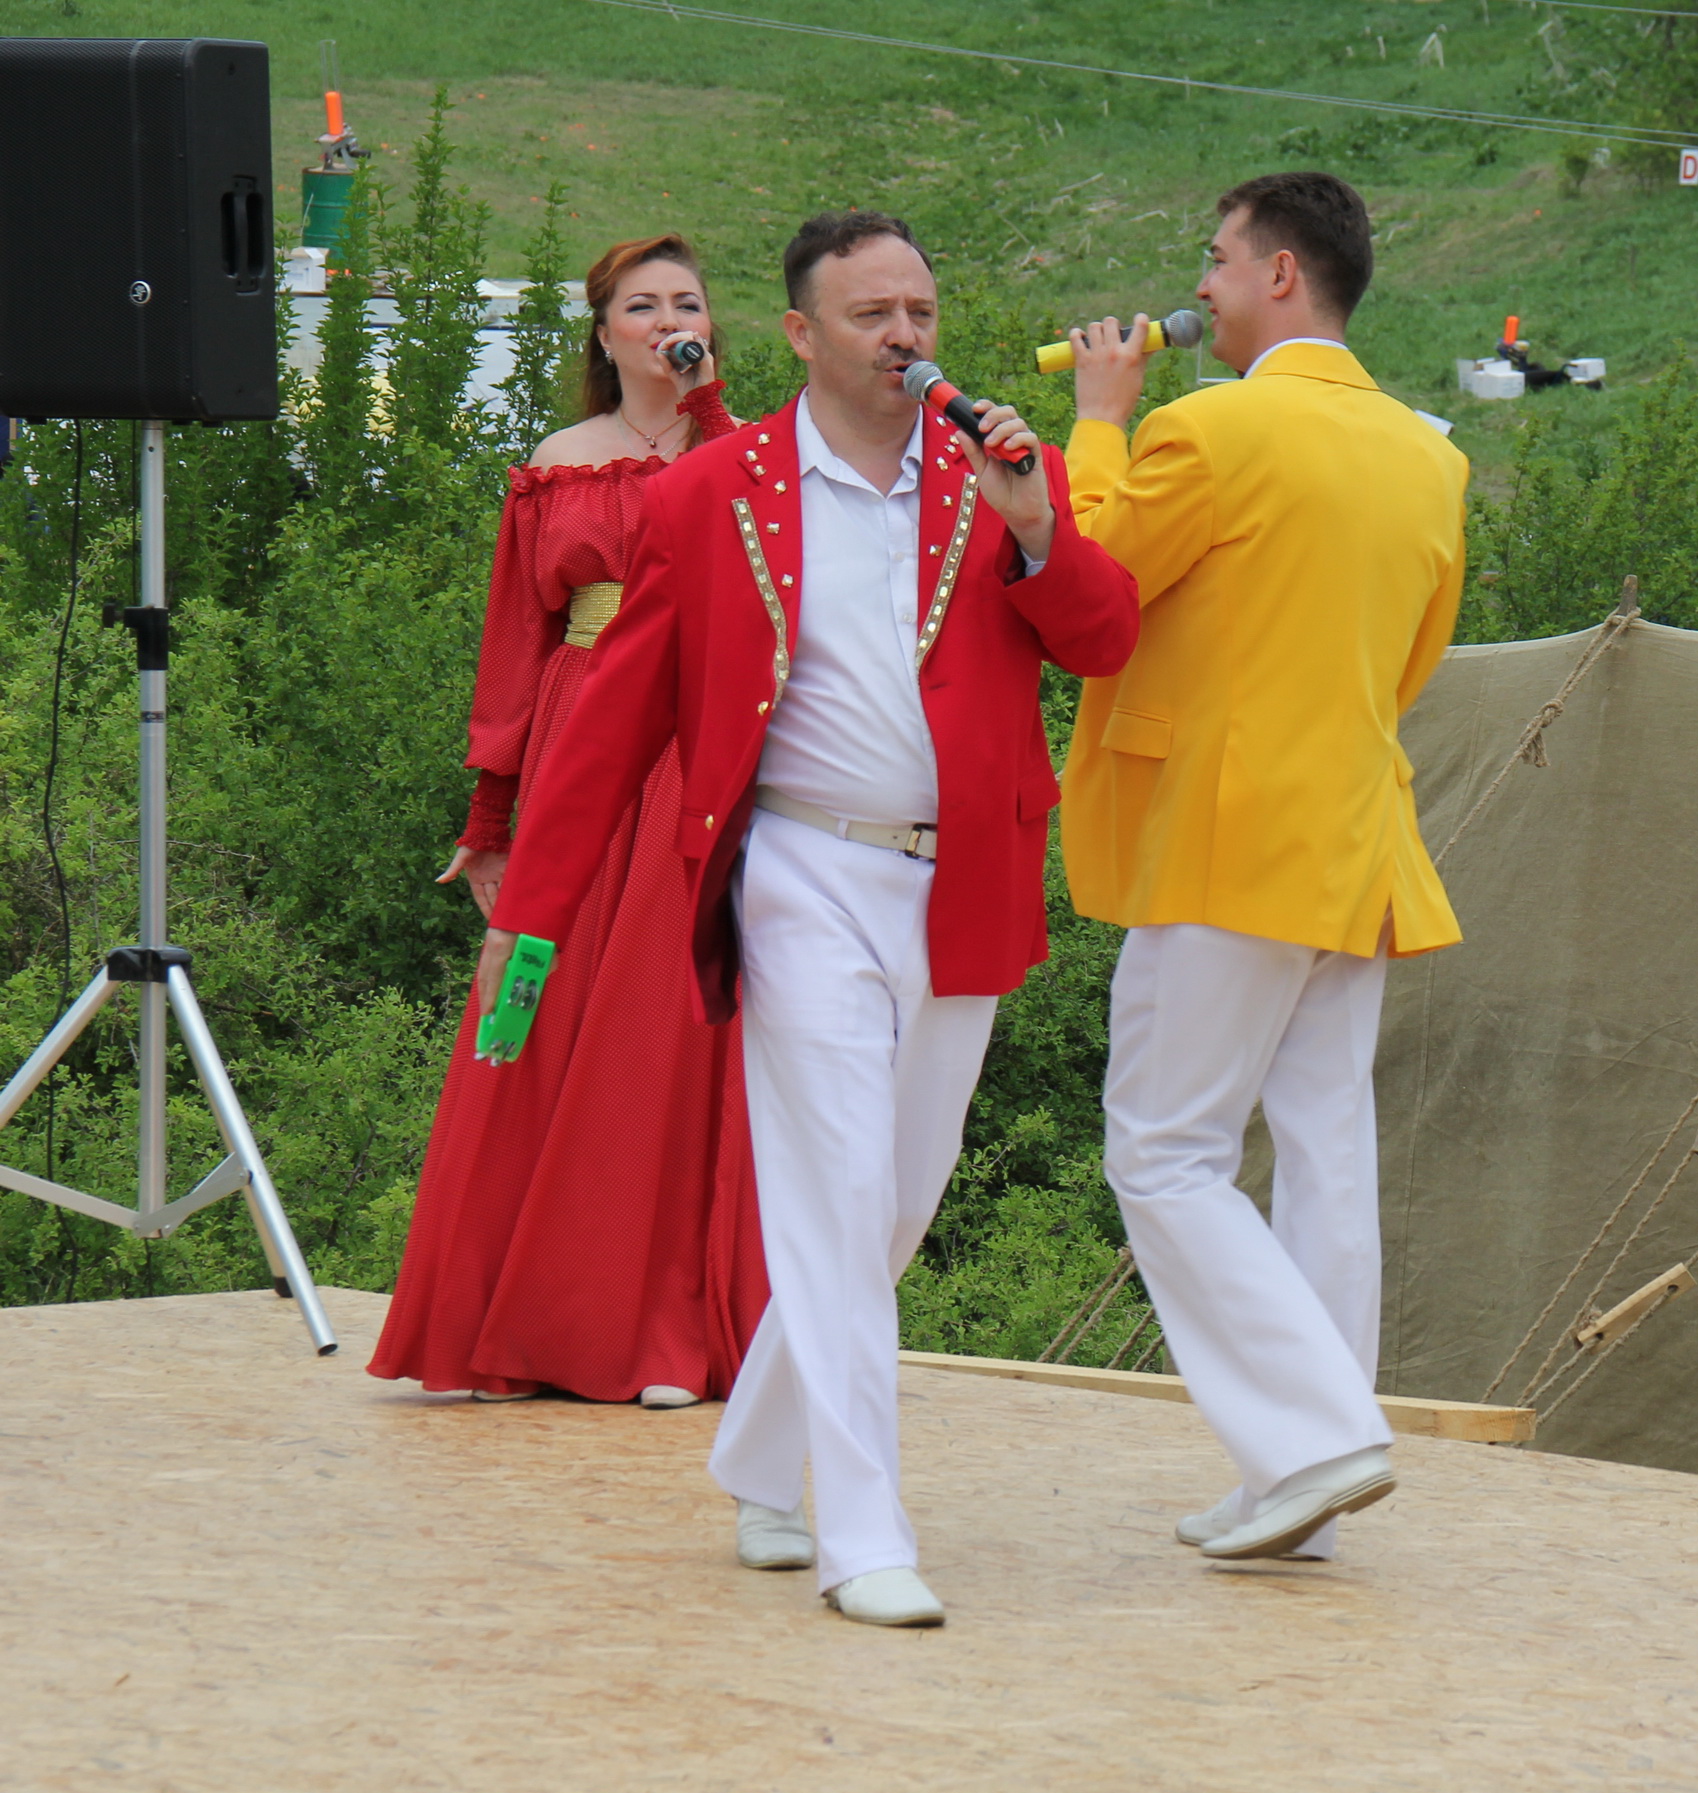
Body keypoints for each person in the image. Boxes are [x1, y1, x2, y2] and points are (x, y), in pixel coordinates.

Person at [476, 210, 1137, 1625]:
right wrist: (529, 918)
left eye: (921, 310)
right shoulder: (712, 491)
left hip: (961, 880)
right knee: (835, 1188)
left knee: (892, 1203)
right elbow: (615, 722)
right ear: (799, 333)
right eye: (871, 313)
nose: (905, 336)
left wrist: (1039, 528)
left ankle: (760, 1454)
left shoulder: (993, 478)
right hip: (798, 869)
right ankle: (865, 1532)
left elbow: (1103, 640)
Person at [1058, 170, 1470, 1563]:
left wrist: (1099, 423)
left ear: (1280, 274)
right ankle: (1305, 1474)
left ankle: (1312, 1439)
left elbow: (1092, 584)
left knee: (1164, 1148)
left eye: (1217, 260)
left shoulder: (1210, 426)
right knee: (1323, 1150)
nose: (1202, 287)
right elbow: (1410, 664)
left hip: (1225, 834)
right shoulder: (1428, 455)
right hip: (1357, 836)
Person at [372, 234, 765, 1413]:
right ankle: (515, 1318)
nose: (667, 321)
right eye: (641, 306)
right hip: (579, 742)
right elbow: (516, 639)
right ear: (602, 334)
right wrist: (492, 812)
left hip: (694, 741)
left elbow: (761, 560)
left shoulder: (748, 450)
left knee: (664, 1028)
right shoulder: (558, 462)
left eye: (687, 303)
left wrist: (709, 409)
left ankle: (658, 1327)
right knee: (534, 1018)